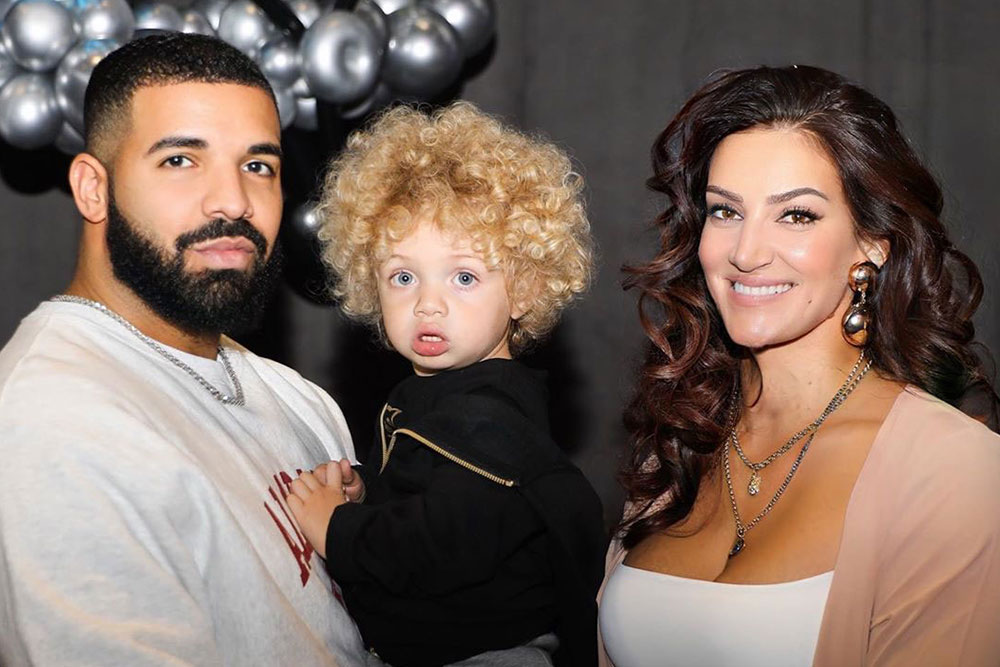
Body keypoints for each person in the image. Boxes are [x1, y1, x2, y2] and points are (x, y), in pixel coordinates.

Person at [598, 65, 1000, 666]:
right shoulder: (680, 443)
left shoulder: (954, 468)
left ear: (872, 242)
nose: (746, 253)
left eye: (797, 215)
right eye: (725, 211)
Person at [0, 34, 375, 666]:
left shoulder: (301, 400)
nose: (232, 200)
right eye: (181, 160)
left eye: (259, 165)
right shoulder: (51, 417)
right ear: (93, 189)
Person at [286, 103, 607, 667]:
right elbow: (433, 494)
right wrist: (368, 491)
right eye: (403, 276)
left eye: (464, 276)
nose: (428, 303)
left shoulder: (490, 417)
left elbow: (435, 546)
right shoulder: (443, 398)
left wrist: (336, 527)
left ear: (525, 288)